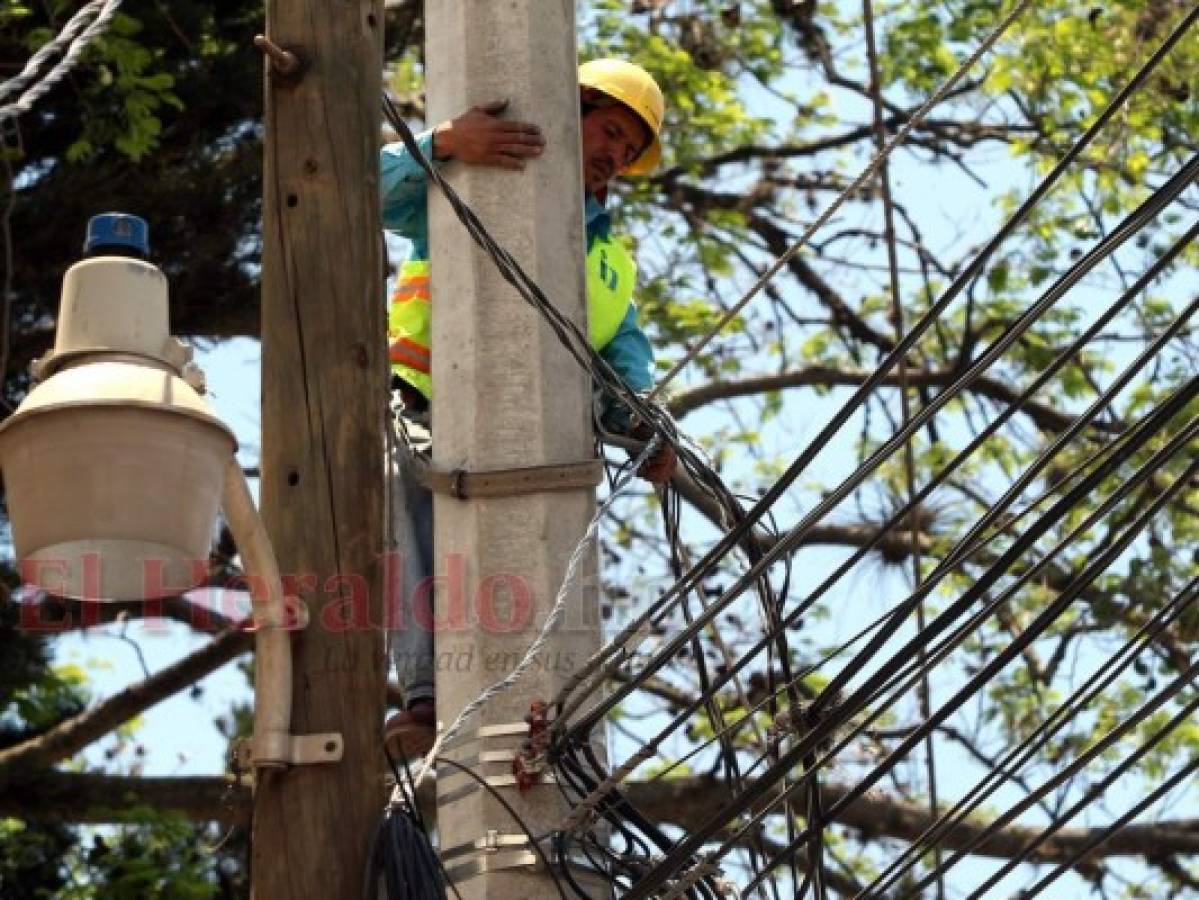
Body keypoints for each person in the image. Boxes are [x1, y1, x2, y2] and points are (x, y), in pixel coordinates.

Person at [381, 59, 676, 757]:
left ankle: (536, 707)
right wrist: (448, 143)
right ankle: (426, 694)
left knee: (532, 558)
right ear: (567, 108)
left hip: (531, 442)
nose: (613, 155)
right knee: (409, 520)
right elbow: (360, 185)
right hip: (421, 404)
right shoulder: (474, 177)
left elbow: (625, 370)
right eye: (608, 130)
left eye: (628, 150)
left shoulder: (610, 266)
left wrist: (647, 431)